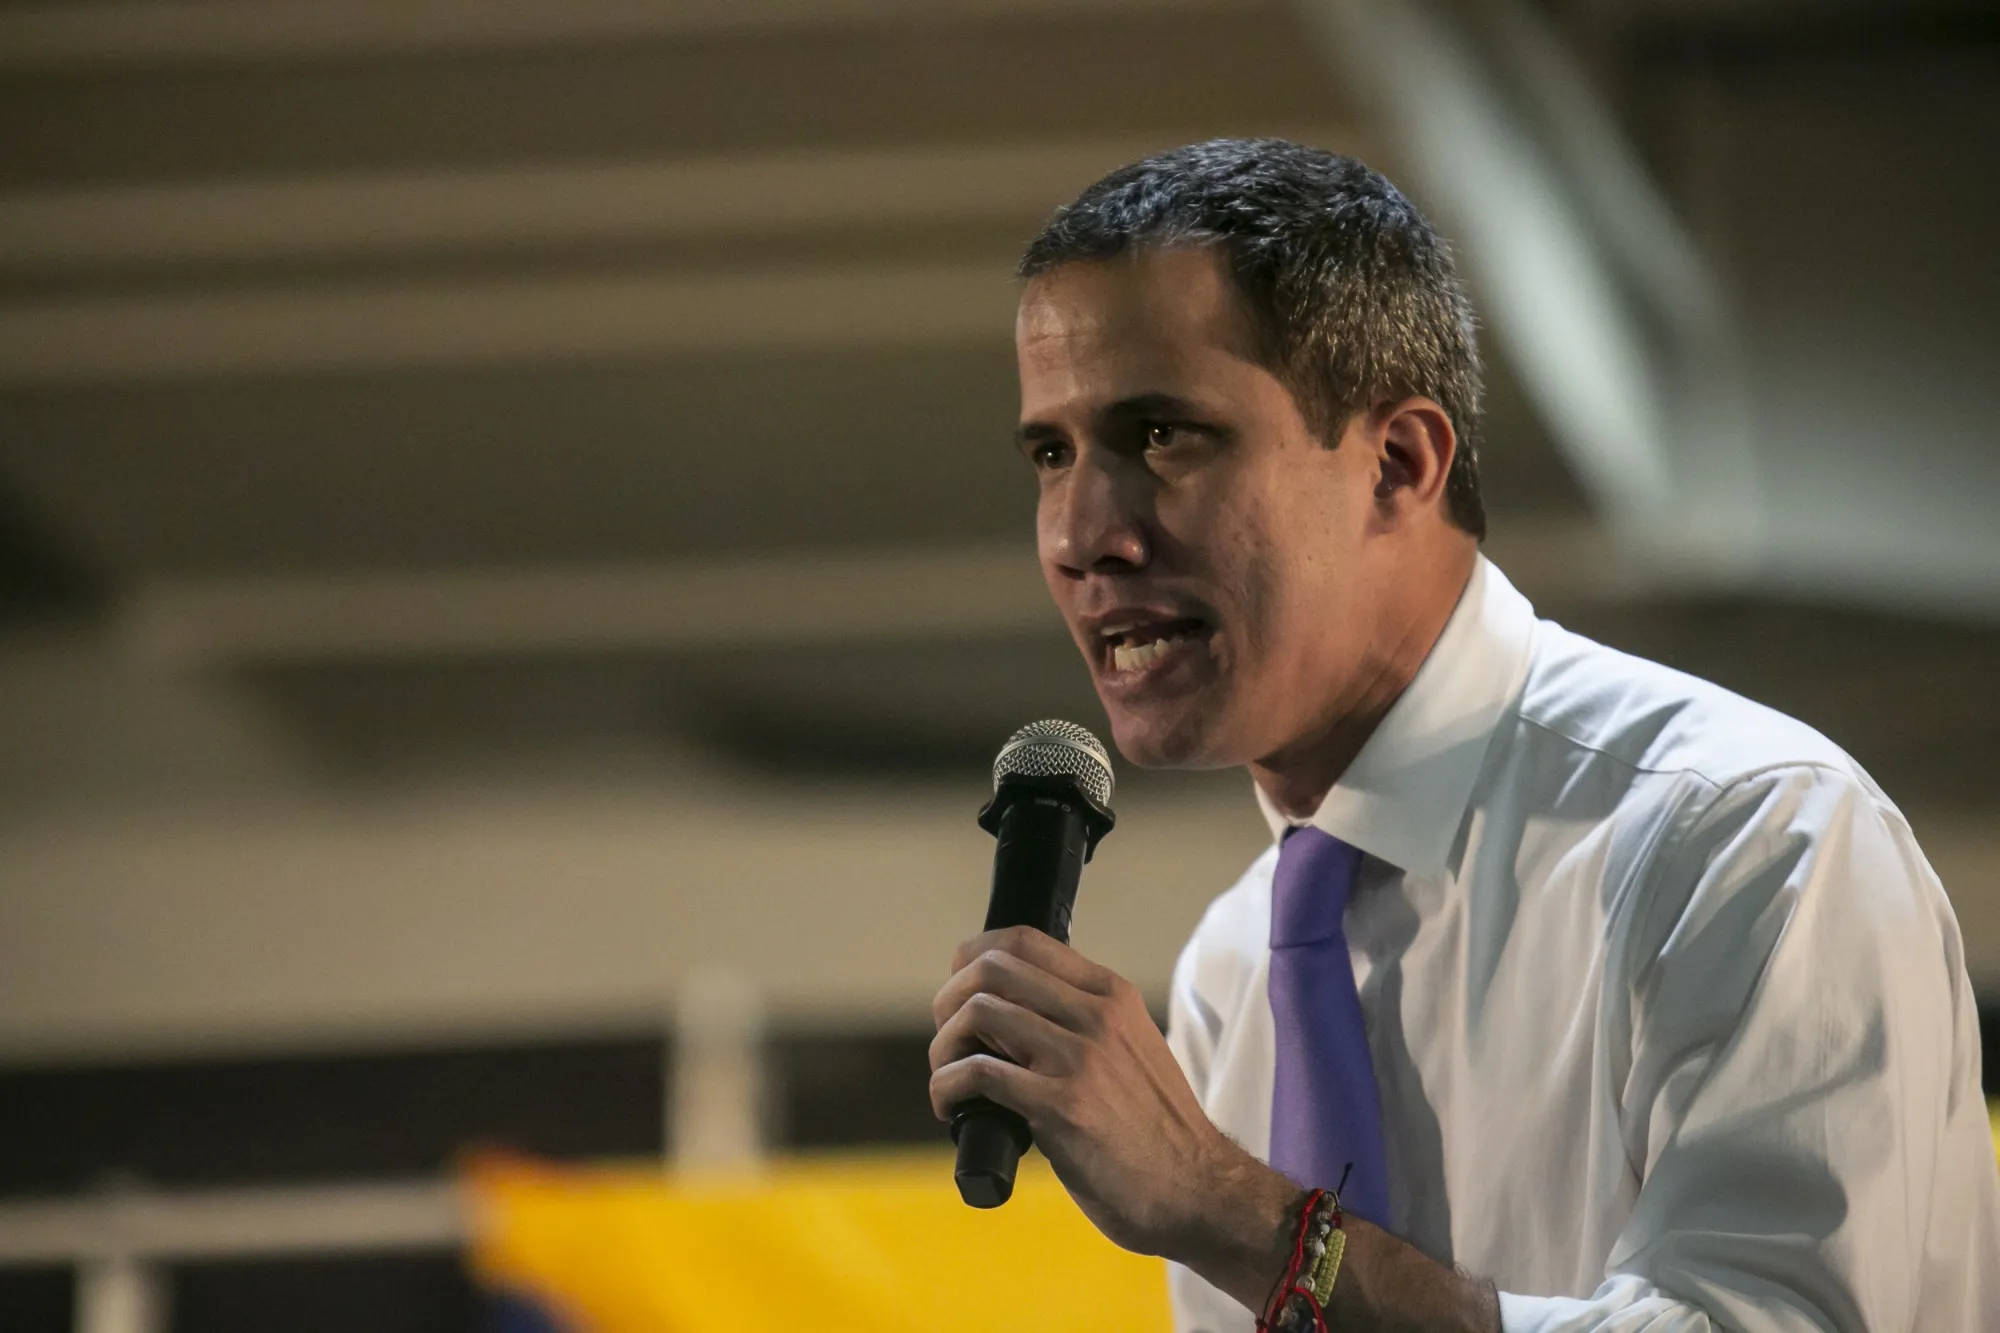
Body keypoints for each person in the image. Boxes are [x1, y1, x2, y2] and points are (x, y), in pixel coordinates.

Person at [926, 139, 2000, 1333]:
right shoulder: (1236, 969)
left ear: (1397, 462)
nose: (1081, 533)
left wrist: (1227, 1207)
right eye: (1050, 452)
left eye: (1164, 436)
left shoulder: (1745, 836)